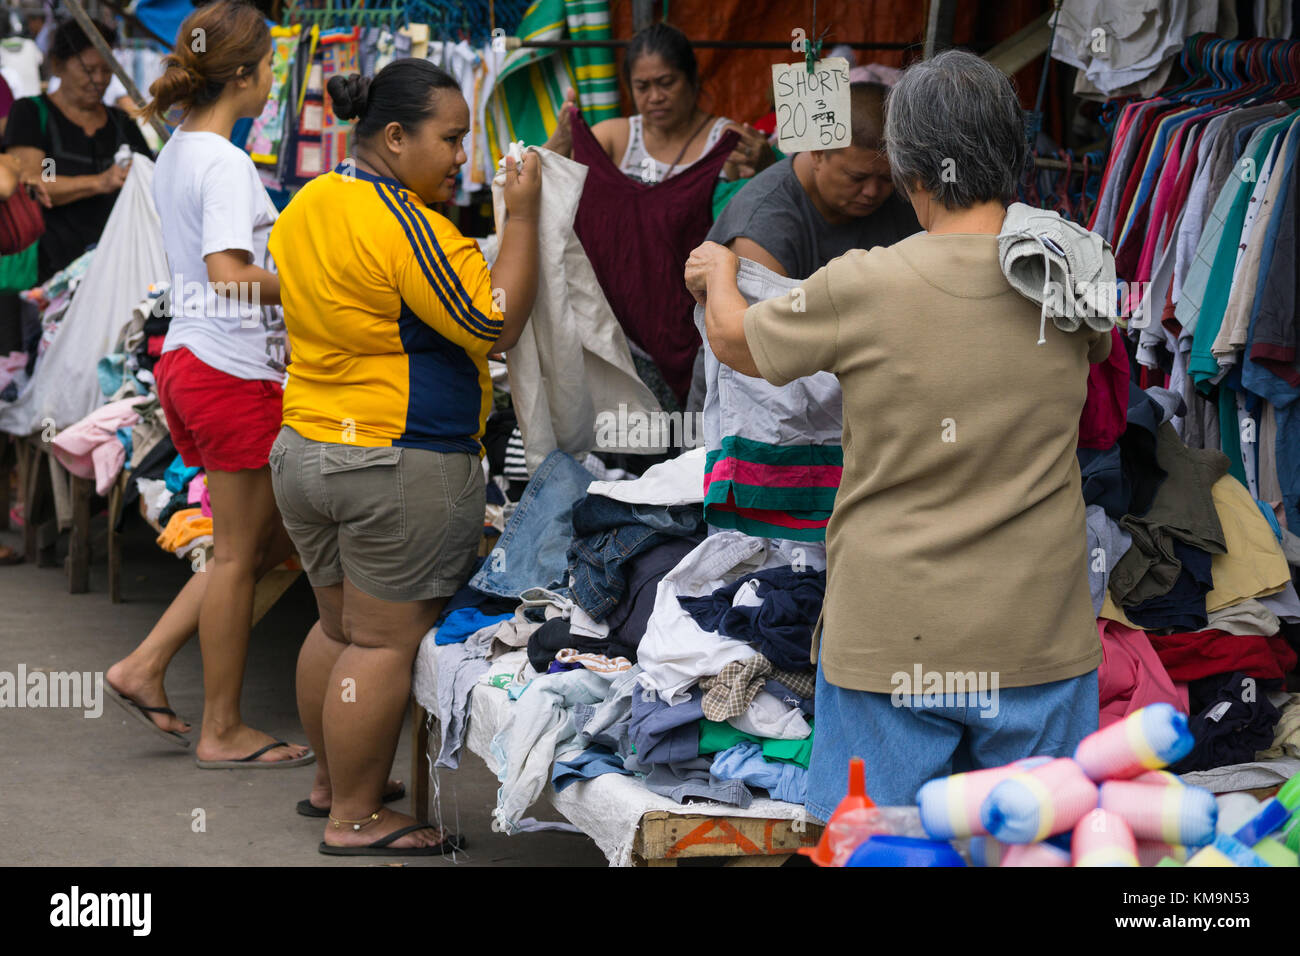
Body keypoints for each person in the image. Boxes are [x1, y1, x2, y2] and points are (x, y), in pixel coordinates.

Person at [686, 49, 1109, 814]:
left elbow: (736, 340)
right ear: (1011, 155)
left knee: (878, 846)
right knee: (1037, 852)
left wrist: (720, 272)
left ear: (909, 165)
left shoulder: (865, 284)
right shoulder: (1072, 271)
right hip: (1038, 634)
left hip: (892, 639)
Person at [267, 59, 541, 855]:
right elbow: (494, 321)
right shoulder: (406, 221)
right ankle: (356, 818)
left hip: (307, 450)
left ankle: (333, 785)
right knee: (383, 643)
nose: (463, 155)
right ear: (395, 137)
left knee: (336, 627)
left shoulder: (309, 200)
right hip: (392, 459)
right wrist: (518, 219)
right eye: (452, 138)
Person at [103, 0, 311, 770]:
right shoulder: (223, 160)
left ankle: (145, 665)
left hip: (194, 363)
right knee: (237, 555)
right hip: (228, 367)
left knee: (252, 547)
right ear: (247, 73)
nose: (274, 79)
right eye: (269, 65)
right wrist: (308, 287)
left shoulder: (185, 147)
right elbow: (228, 275)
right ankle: (221, 729)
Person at [706, 81, 919, 279]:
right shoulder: (762, 226)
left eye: (888, 178)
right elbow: (760, 319)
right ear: (818, 152)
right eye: (857, 177)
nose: (872, 191)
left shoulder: (907, 196)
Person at [3, 17, 151, 284]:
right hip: (50, 269)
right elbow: (38, 183)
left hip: (115, 267)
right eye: (88, 70)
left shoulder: (121, 123)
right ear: (58, 66)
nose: (99, 80)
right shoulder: (34, 114)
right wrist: (100, 182)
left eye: (107, 71)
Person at [544, 22, 771, 183]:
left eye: (666, 82)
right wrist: (562, 138)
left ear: (692, 79)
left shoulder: (726, 141)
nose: (655, 97)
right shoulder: (614, 138)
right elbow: (547, 183)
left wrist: (766, 164)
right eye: (642, 87)